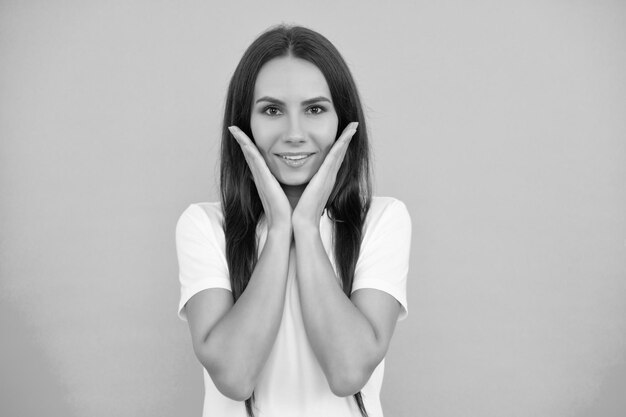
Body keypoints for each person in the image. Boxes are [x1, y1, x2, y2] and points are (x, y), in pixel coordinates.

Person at [175, 24, 411, 417]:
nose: (294, 134)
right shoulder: (204, 226)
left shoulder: (382, 220)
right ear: (243, 122)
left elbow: (348, 372)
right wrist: (280, 228)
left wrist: (306, 228)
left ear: (343, 119)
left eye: (315, 109)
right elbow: (235, 377)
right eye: (271, 110)